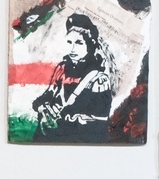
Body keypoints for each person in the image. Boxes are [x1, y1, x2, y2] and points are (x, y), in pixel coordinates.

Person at [32, 13, 115, 143]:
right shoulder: (61, 68)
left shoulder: (99, 80)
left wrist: (64, 119)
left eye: (79, 43)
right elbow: (46, 97)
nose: (72, 48)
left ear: (90, 45)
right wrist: (44, 109)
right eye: (69, 42)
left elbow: (99, 122)